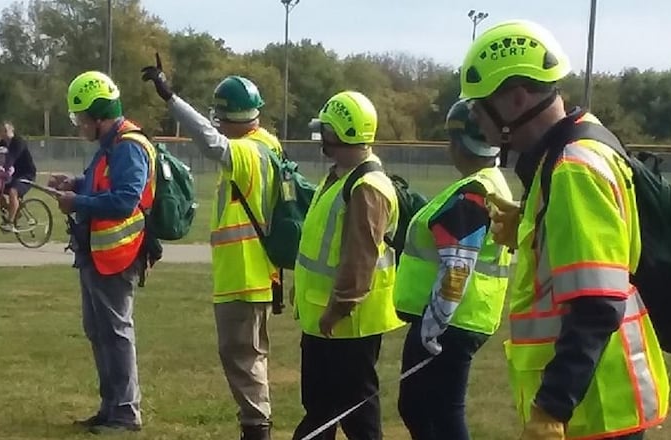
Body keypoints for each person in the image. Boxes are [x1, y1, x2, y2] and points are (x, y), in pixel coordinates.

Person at [459, 20, 670, 440]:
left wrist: (551, 409)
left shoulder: (572, 167)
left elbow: (597, 303)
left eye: (480, 108)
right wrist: (533, 224)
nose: (477, 123)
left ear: (517, 99)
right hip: (593, 403)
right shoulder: (573, 145)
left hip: (592, 409)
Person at [141, 56, 282, 440]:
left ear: (231, 116)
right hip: (254, 274)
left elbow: (210, 141)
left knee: (243, 359)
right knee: (249, 356)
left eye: (219, 115)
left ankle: (256, 431)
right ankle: (256, 426)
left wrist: (171, 99)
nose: (216, 121)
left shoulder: (249, 152)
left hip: (244, 275)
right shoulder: (268, 144)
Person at [394, 100, 512, 440]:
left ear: (459, 143)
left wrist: (434, 325)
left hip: (451, 321)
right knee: (422, 407)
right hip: (463, 317)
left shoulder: (472, 192)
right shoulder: (489, 183)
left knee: (439, 413)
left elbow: (457, 264)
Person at [292, 91, 404, 440]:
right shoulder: (341, 177)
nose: (321, 137)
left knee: (357, 415)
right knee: (321, 410)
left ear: (338, 133)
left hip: (348, 325)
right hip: (328, 321)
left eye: (326, 129)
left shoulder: (366, 187)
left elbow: (360, 259)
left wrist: (337, 308)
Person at [49, 70, 156, 434]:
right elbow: (101, 184)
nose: (80, 125)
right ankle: (110, 407)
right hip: (98, 252)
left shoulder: (128, 145)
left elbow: (126, 199)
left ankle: (126, 412)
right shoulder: (111, 145)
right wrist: (75, 183)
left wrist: (76, 201)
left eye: (81, 118)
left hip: (117, 255)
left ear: (97, 115)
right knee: (99, 331)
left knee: (115, 332)